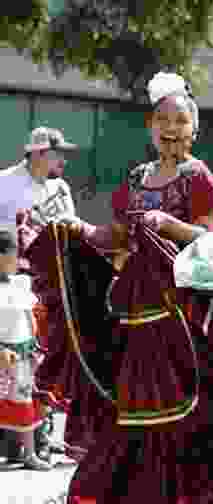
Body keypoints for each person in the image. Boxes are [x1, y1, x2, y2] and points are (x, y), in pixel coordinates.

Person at [28, 71, 213, 502]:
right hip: (134, 304)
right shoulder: (134, 179)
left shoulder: (197, 175)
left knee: (179, 396)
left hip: (181, 302)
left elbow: (208, 237)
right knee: (132, 397)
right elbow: (116, 236)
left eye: (181, 121)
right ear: (150, 126)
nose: (171, 129)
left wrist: (166, 224)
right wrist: (77, 229)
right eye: (163, 120)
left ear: (195, 131)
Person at [0, 127, 78, 462]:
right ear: (38, 153)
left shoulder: (60, 188)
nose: (63, 160)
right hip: (9, 291)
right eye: (57, 154)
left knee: (43, 362)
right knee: (7, 365)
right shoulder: (5, 182)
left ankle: (39, 437)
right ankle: (9, 442)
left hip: (48, 290)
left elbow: (73, 230)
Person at [0, 230, 52, 470]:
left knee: (25, 401)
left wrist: (35, 347)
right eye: (13, 256)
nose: (16, 261)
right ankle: (16, 451)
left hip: (22, 354)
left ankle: (29, 453)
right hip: (3, 355)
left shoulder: (20, 283)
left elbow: (29, 316)